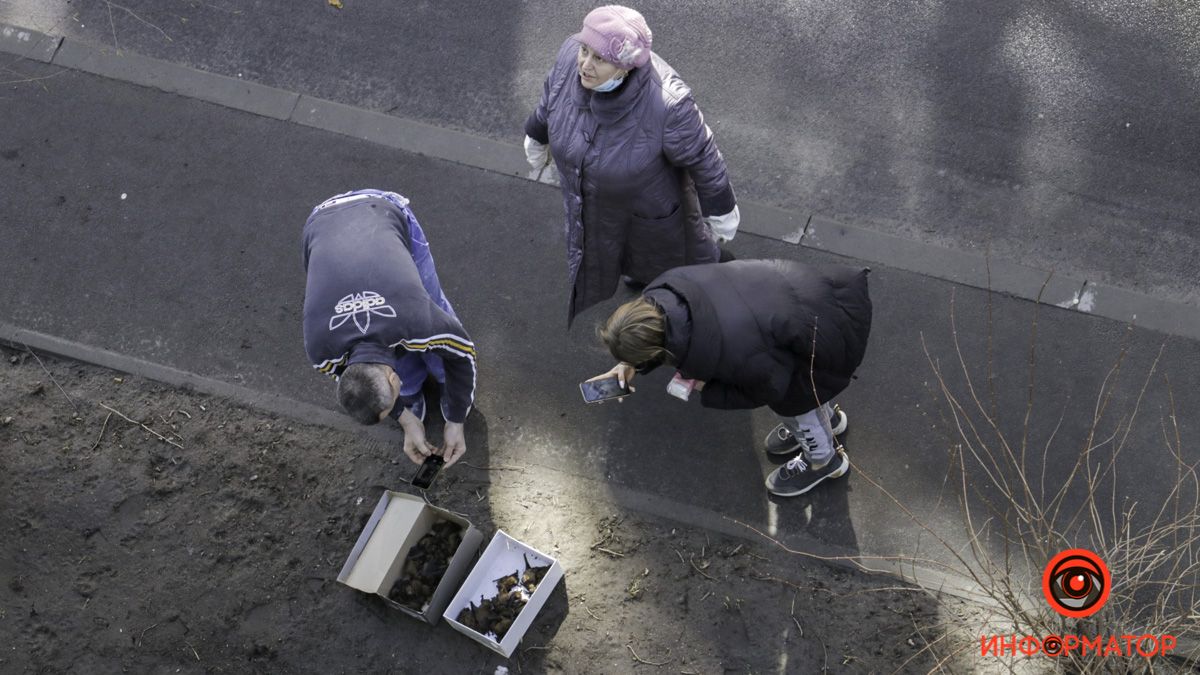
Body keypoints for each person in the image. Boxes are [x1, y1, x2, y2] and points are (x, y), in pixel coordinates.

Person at [524, 4, 741, 326]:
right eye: (585, 51)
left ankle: (719, 288)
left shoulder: (668, 103)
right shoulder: (571, 55)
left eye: (599, 59)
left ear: (625, 67)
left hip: (653, 212)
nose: (584, 64)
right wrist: (536, 134)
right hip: (598, 205)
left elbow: (703, 156)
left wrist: (722, 211)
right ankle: (643, 277)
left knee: (674, 264)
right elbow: (551, 99)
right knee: (617, 250)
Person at [592, 259, 871, 496]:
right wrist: (631, 364)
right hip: (812, 301)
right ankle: (829, 422)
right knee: (805, 400)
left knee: (798, 405)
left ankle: (823, 461)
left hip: (821, 343)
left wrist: (707, 388)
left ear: (657, 349)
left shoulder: (732, 349)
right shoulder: (666, 290)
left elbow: (770, 387)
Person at [302, 189, 476, 466]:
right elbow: (343, 375)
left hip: (380, 209)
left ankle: (445, 383)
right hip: (321, 226)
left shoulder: (419, 319)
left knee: (433, 303)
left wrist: (456, 420)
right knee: (405, 348)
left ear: (393, 380)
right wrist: (406, 420)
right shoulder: (321, 352)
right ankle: (411, 392)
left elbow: (463, 352)